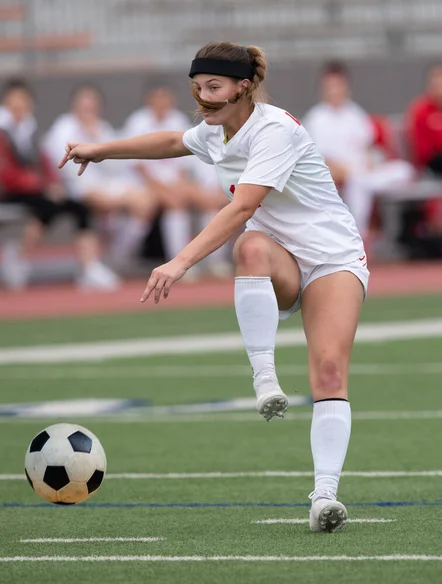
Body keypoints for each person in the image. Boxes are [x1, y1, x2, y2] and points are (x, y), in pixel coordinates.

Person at [59, 41, 370, 533]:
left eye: (214, 87)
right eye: (198, 87)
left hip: (333, 257)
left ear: (244, 87)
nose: (202, 97)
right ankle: (264, 379)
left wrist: (179, 262)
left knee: (329, 371)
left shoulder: (274, 131)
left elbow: (242, 206)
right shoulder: (217, 129)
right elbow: (170, 143)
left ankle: (324, 497)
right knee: (250, 247)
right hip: (279, 255)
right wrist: (101, 150)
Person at [44, 84, 157, 275]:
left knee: (146, 202)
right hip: (77, 187)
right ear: (75, 105)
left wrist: (96, 138)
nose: (88, 110)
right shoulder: (62, 129)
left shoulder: (102, 128)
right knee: (104, 203)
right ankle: (100, 262)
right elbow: (65, 168)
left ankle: (118, 258)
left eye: (92, 105)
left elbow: (116, 165)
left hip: (109, 183)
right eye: (84, 105)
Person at [303, 61, 414, 245]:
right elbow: (318, 159)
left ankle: (377, 230)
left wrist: (373, 159)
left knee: (404, 170)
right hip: (341, 176)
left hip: (365, 171)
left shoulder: (355, 114)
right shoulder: (316, 119)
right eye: (330, 87)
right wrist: (346, 170)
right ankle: (358, 238)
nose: (334, 91)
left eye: (338, 86)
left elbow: (369, 147)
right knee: (358, 183)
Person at [123, 86, 227, 276]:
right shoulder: (137, 122)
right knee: (175, 204)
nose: (162, 103)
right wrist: (165, 190)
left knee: (210, 202)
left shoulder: (177, 119)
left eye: (166, 98)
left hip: (176, 184)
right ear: (149, 100)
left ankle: (215, 261)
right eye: (157, 98)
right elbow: (138, 166)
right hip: (146, 186)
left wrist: (180, 186)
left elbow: (185, 164)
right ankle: (179, 263)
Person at [0, 78, 94, 290]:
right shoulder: (2, 131)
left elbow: (44, 161)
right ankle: (18, 255)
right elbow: (6, 173)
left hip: (34, 190)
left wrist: (53, 183)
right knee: (48, 205)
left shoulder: (29, 128)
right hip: (10, 191)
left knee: (79, 208)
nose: (19, 106)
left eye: (23, 101)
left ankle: (89, 267)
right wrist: (41, 185)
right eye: (14, 101)